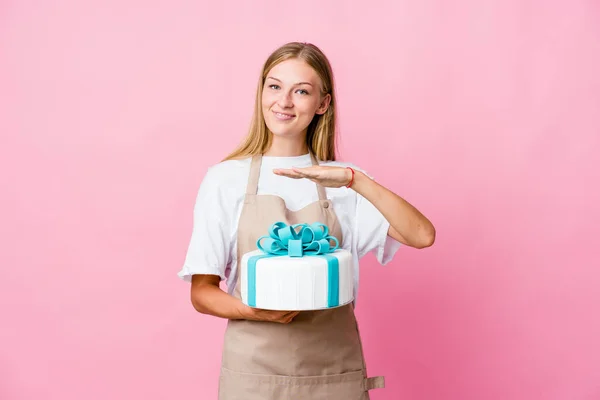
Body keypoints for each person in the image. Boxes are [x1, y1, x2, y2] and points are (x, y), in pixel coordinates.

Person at [178, 41, 435, 400]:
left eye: (301, 91)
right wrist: (256, 312)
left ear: (323, 104)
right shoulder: (224, 179)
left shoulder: (346, 181)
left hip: (333, 374)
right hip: (254, 375)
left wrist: (353, 180)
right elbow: (202, 293)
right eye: (274, 86)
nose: (284, 102)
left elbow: (422, 235)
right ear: (262, 92)